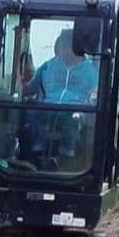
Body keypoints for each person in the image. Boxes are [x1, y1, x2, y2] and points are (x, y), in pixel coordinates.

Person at [21, 29, 98, 165]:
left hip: (76, 109)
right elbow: (29, 88)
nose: (65, 49)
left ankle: (66, 155)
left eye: (69, 45)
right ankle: (37, 150)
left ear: (78, 47)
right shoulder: (47, 67)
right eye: (62, 45)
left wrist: (93, 98)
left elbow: (95, 93)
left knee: (74, 118)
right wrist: (17, 83)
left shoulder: (90, 71)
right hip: (49, 107)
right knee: (32, 112)